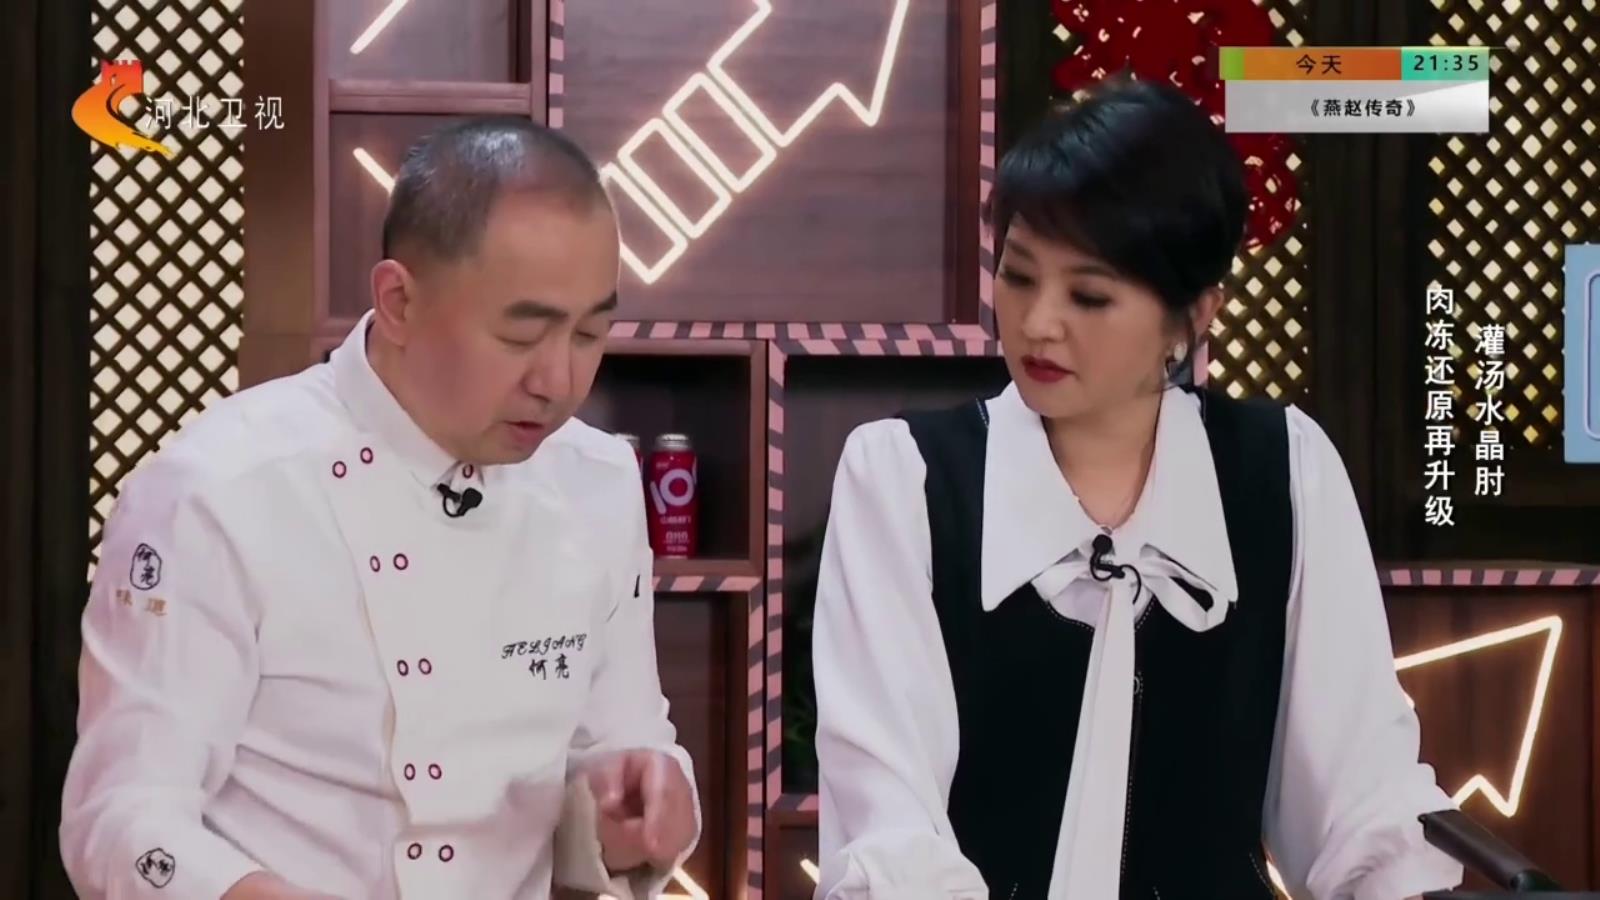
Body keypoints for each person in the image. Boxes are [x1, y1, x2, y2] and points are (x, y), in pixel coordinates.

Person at [811, 78, 1463, 899]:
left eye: (1089, 295)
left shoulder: (1282, 469)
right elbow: (888, 818)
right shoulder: (903, 478)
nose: (1038, 322)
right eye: (1018, 276)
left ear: (1194, 315)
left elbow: (1357, 795)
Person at [61, 118, 699, 899]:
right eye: (521, 336)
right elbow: (121, 820)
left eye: (591, 332)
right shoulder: (219, 488)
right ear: (398, 301)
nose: (558, 381)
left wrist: (636, 813)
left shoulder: (598, 482)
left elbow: (620, 748)